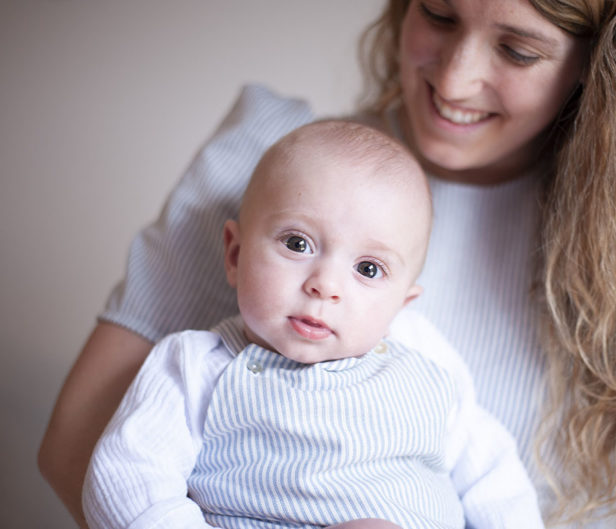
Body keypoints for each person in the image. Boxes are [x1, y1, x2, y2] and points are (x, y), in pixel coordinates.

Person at [39, 1, 616, 528]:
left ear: (596, 59)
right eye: (438, 15)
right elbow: (85, 452)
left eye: (516, 49)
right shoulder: (272, 166)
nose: (452, 78)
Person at [81, 120, 544, 529]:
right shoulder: (194, 366)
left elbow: (495, 480)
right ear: (235, 255)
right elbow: (127, 479)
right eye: (298, 243)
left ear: (402, 305)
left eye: (367, 269)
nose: (325, 285)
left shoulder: (427, 364)